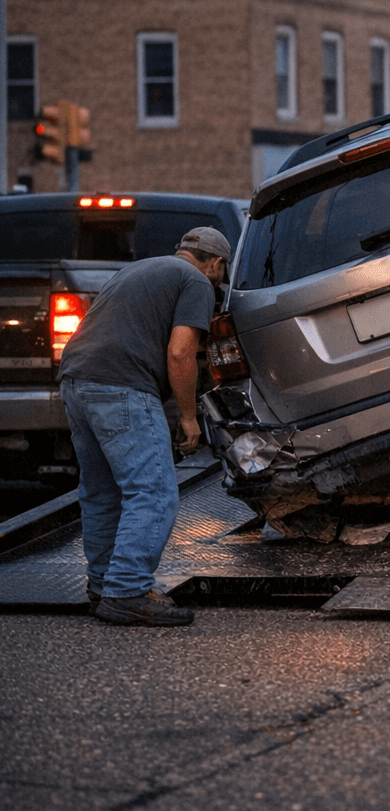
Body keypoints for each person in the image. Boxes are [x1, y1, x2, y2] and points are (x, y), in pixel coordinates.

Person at [59, 226, 231, 627]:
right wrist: (188, 417)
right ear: (216, 264)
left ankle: (103, 586)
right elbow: (180, 351)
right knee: (153, 492)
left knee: (102, 493)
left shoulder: (137, 270)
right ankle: (128, 590)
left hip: (76, 380)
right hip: (123, 385)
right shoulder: (197, 281)